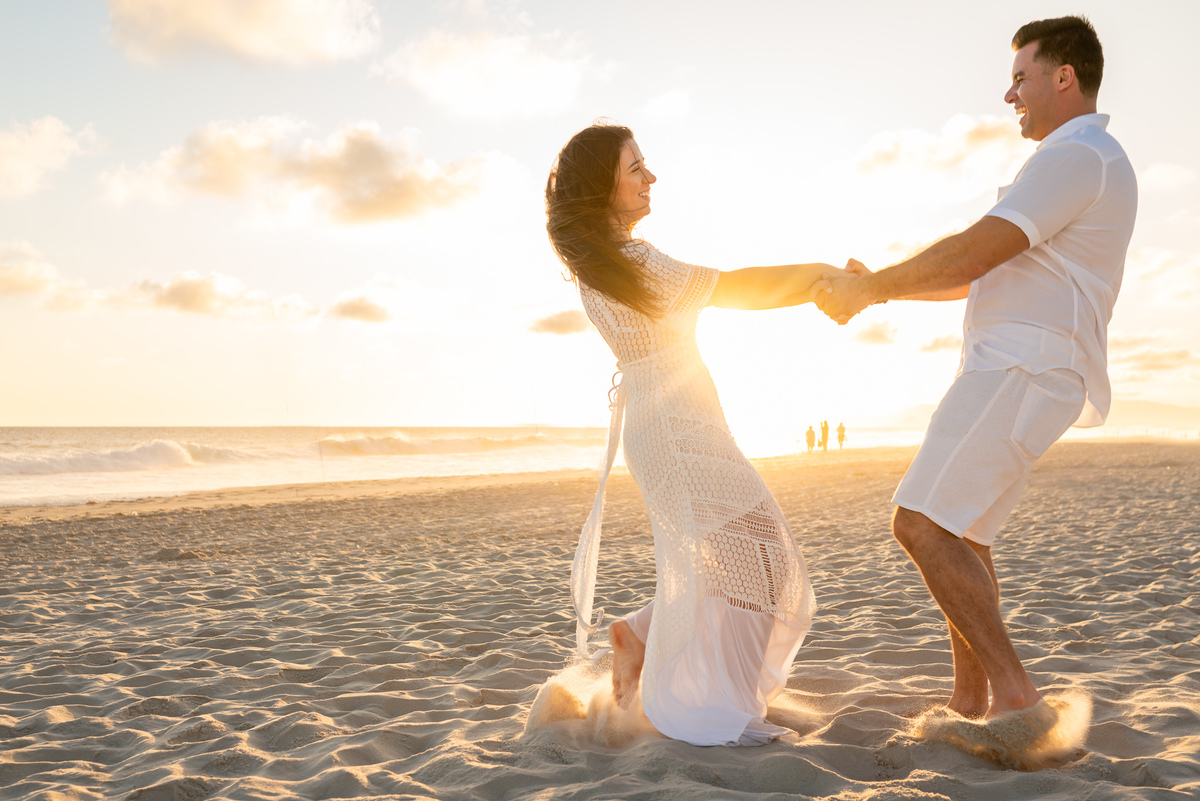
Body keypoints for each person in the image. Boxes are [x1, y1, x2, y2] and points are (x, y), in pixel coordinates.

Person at [814, 15, 1136, 755]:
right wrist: (886, 289)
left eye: (1021, 76)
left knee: (919, 523)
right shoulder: (1076, 161)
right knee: (962, 529)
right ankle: (973, 695)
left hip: (1021, 366)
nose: (1009, 91)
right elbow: (980, 273)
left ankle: (1015, 695)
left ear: (1065, 78)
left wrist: (871, 291)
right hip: (1018, 365)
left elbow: (974, 250)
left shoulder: (1079, 156)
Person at [545, 122, 837, 746]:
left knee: (732, 559)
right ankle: (726, 710)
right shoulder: (632, 260)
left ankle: (642, 634)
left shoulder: (608, 262)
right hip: (676, 429)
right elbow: (732, 289)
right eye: (636, 168)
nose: (651, 177)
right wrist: (820, 275)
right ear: (604, 186)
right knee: (764, 560)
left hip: (667, 423)